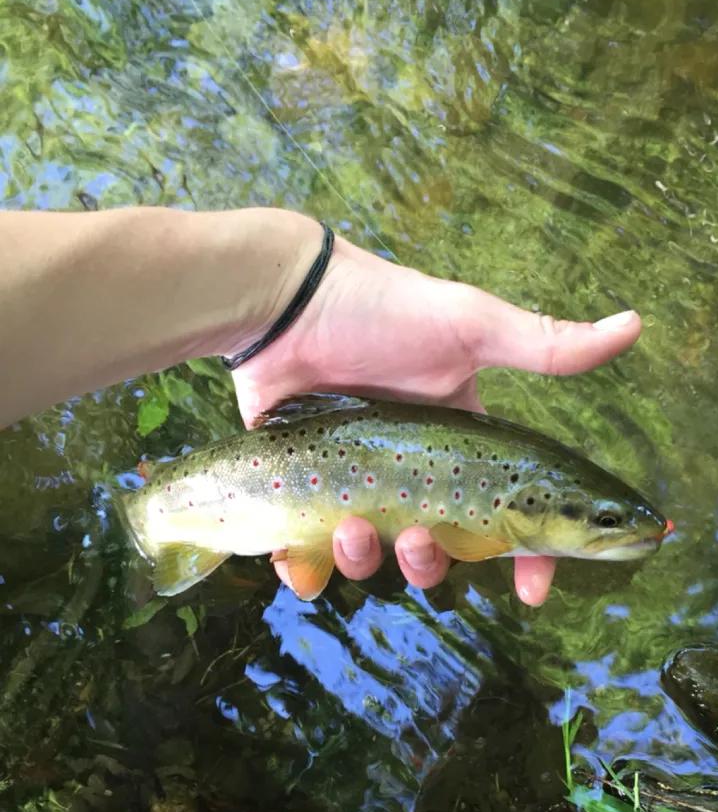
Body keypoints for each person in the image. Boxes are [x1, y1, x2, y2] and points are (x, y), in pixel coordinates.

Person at [0, 206, 642, 605]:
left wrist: (282, 295)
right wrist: (281, 293)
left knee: (325, 556)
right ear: (528, 510)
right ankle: (135, 524)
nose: (616, 530)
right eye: (605, 521)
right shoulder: (498, 513)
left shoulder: (511, 494)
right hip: (236, 475)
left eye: (606, 521)